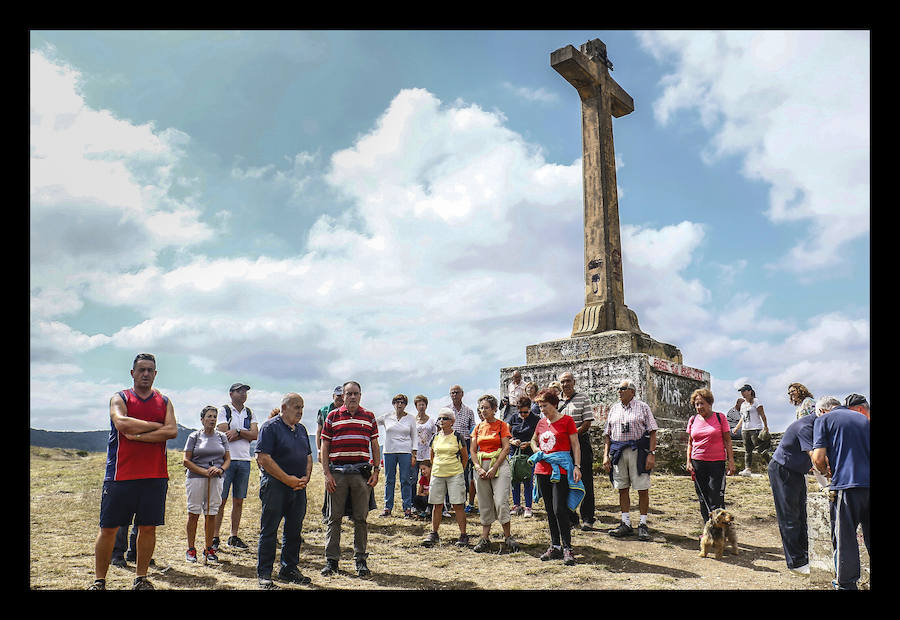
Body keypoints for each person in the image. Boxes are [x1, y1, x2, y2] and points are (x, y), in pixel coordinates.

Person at [88, 353, 178, 591]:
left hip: (155, 475)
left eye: (150, 370)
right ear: (133, 373)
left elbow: (172, 431)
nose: (146, 374)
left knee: (147, 527)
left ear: (155, 374)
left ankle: (140, 578)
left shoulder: (165, 401)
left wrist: (138, 435)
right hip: (120, 475)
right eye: (141, 370)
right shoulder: (120, 397)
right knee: (108, 528)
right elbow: (122, 423)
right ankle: (99, 581)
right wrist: (157, 427)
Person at [768, 396, 839, 576]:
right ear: (823, 412)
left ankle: (806, 555)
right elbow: (817, 460)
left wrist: (825, 485)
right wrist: (829, 482)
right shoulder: (805, 427)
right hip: (782, 470)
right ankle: (796, 562)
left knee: (801, 514)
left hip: (797, 471)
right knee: (789, 516)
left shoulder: (822, 427)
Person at [320, 381, 380, 578]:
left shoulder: (369, 417)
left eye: (356, 393)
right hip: (337, 473)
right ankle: (332, 561)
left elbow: (375, 444)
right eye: (349, 394)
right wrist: (327, 474)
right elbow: (325, 446)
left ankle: (360, 560)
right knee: (333, 518)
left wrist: (377, 470)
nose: (352, 397)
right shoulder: (332, 416)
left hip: (361, 474)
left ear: (360, 395)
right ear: (343, 396)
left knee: (361, 518)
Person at [255, 393, 313, 589]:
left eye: (302, 407)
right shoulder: (270, 427)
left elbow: (308, 456)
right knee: (269, 530)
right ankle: (264, 574)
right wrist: (287, 479)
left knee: (294, 530)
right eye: (296, 406)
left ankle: (289, 569)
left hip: (298, 487)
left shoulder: (302, 429)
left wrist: (306, 477)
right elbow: (264, 458)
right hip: (275, 486)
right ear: (284, 407)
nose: (300, 411)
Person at [812, 396, 870, 590]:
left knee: (845, 537)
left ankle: (846, 583)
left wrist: (824, 471)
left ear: (822, 411)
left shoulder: (823, 420)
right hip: (868, 483)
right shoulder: (862, 418)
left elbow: (818, 458)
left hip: (846, 484)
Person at [529, 390, 583, 566]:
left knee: (560, 508)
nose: (542, 409)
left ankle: (568, 547)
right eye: (539, 406)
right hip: (542, 469)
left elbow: (575, 445)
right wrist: (537, 450)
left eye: (545, 405)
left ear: (554, 404)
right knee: (549, 510)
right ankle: (555, 545)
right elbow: (533, 441)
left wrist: (577, 466)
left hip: (561, 469)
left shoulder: (567, 421)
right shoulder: (541, 423)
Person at [602, 379, 658, 541]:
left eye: (623, 388)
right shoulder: (614, 409)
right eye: (618, 389)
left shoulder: (642, 407)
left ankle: (643, 523)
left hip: (638, 451)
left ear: (632, 391)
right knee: (622, 487)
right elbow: (608, 435)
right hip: (619, 451)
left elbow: (652, 431)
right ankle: (625, 522)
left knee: (642, 487)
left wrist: (651, 453)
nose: (619, 391)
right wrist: (606, 455)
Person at [470, 394, 519, 553]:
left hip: (498, 463)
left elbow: (506, 447)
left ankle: (508, 536)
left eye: (486, 408)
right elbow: (472, 450)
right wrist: (478, 467)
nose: (483, 411)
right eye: (481, 408)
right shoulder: (477, 428)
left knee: (500, 501)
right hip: (481, 465)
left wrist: (495, 467)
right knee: (484, 502)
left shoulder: (502, 425)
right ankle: (485, 538)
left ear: (494, 409)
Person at [183, 406, 230, 564]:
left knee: (211, 513)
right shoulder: (194, 436)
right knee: (194, 513)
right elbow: (186, 460)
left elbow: (227, 459)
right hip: (196, 478)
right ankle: (191, 548)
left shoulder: (222, 437)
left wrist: (220, 469)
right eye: (209, 416)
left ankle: (208, 548)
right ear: (202, 419)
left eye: (215, 416)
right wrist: (203, 472)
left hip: (216, 478)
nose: (212, 419)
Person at [214, 382, 258, 551]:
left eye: (245, 391)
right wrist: (244, 433)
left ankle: (233, 535)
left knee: (238, 500)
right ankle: (215, 536)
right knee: (221, 500)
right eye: (240, 391)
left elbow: (255, 435)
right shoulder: (224, 410)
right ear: (231, 393)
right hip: (227, 460)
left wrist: (238, 432)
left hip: (244, 460)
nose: (243, 394)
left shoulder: (249, 412)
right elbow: (225, 433)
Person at [686, 388, 736, 528]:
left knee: (716, 497)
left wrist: (731, 462)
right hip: (698, 462)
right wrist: (689, 461)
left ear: (709, 403)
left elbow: (727, 440)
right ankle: (708, 528)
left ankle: (721, 529)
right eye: (696, 404)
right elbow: (690, 442)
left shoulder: (720, 418)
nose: (699, 407)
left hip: (716, 463)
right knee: (703, 498)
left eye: (702, 403)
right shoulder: (693, 420)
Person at [421, 408, 470, 548]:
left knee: (457, 504)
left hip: (455, 473)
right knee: (437, 504)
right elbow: (432, 456)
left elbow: (465, 457)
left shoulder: (457, 436)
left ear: (452, 421)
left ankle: (463, 534)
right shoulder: (435, 437)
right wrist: (436, 468)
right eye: (440, 418)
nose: (441, 421)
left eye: (445, 418)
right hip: (437, 473)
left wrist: (459, 469)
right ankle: (434, 533)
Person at [557, 371, 596, 530]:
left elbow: (587, 423)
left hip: (580, 443)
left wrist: (572, 435)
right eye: (562, 382)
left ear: (574, 382)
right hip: (563, 447)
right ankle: (572, 518)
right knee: (566, 482)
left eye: (568, 381)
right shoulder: (556, 401)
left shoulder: (583, 398)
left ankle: (588, 518)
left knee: (585, 481)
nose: (565, 384)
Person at [376, 394, 417, 517]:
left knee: (405, 480)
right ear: (393, 403)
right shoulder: (386, 417)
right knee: (389, 480)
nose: (400, 404)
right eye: (397, 402)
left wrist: (414, 453)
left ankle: (407, 508)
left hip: (405, 451)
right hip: (389, 451)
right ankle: (387, 508)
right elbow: (372, 421)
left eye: (403, 402)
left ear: (405, 404)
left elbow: (414, 435)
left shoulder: (411, 418)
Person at [505, 396, 540, 517]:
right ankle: (516, 504)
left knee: (527, 480)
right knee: (514, 478)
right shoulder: (513, 418)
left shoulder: (536, 419)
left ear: (530, 409)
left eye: (526, 412)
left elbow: (540, 437)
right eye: (521, 412)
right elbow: (506, 434)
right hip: (514, 453)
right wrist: (512, 441)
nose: (523, 414)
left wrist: (530, 443)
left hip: (529, 453)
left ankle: (528, 506)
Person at [448, 385, 478, 513]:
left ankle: (462, 502)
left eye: (457, 392)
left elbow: (473, 431)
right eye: (452, 393)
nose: (454, 395)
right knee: (450, 473)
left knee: (464, 475)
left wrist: (472, 449)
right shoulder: (447, 410)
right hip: (450, 443)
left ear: (462, 394)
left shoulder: (469, 411)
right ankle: (450, 502)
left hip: (465, 443)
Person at [316, 387, 344, 518]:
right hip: (328, 449)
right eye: (337, 396)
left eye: (341, 395)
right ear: (333, 396)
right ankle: (327, 511)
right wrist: (319, 449)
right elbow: (319, 431)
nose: (340, 398)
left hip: (342, 450)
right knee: (329, 479)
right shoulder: (324, 411)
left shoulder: (349, 409)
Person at [733, 384, 769, 475]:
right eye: (742, 391)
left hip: (755, 428)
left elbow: (762, 414)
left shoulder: (756, 401)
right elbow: (742, 417)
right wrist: (737, 427)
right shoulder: (743, 405)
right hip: (745, 429)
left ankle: (772, 464)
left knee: (760, 449)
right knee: (747, 450)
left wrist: (765, 426)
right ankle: (747, 469)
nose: (743, 393)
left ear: (749, 391)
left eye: (744, 391)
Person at [412, 395, 437, 519]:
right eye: (419, 404)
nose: (421, 406)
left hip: (427, 454)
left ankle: (429, 504)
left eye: (423, 404)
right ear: (416, 406)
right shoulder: (412, 420)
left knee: (427, 478)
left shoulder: (431, 421)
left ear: (426, 406)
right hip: (415, 453)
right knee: (413, 479)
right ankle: (414, 504)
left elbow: (435, 437)